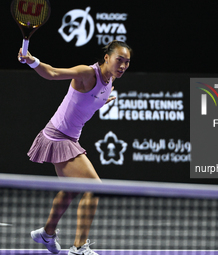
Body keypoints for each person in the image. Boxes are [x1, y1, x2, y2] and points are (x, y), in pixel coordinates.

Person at [18, 40, 132, 255]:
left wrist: (100, 100)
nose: (123, 65)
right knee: (94, 186)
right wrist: (33, 61)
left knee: (71, 189)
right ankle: (79, 248)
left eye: (127, 62)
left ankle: (46, 233)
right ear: (107, 57)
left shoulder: (110, 81)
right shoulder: (86, 73)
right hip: (58, 137)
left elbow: (88, 101)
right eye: (120, 60)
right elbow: (51, 73)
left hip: (70, 137)